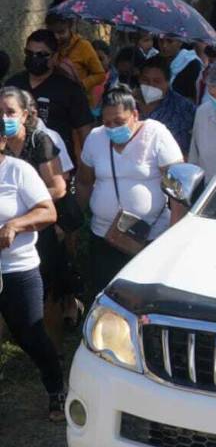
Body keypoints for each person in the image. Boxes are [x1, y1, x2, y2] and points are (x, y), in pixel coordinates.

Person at [75, 87, 183, 293]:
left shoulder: (156, 133)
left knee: (144, 295)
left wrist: (176, 231)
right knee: (105, 294)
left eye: (119, 122)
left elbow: (177, 187)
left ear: (134, 114)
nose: (113, 128)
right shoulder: (96, 138)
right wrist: (76, 221)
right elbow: (83, 181)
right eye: (107, 123)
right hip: (105, 235)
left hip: (149, 235)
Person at [0, 116, 63, 421]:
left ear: (2, 140)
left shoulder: (18, 171)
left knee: (30, 335)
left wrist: (15, 225)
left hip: (17, 269)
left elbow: (48, 212)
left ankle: (56, 390)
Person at [5, 30, 94, 162]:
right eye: (29, 53)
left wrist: (88, 164)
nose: (34, 58)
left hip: (56, 162)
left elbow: (84, 131)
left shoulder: (69, 89)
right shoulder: (13, 84)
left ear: (55, 57)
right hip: (15, 159)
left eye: (41, 55)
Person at [135, 56, 194, 154]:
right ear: (139, 79)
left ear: (167, 82)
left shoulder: (183, 107)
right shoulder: (127, 105)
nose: (151, 85)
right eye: (145, 80)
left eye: (157, 81)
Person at [44, 10, 106, 98]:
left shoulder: (83, 46)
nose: (57, 37)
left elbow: (100, 75)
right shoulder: (48, 45)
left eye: (61, 32)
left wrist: (82, 84)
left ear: (70, 26)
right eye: (52, 33)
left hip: (77, 98)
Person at [158, 36, 203, 101]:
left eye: (170, 41)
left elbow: (194, 98)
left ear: (180, 42)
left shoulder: (192, 64)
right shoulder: (154, 61)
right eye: (161, 41)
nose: (164, 45)